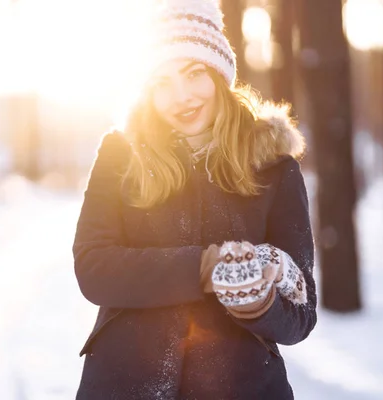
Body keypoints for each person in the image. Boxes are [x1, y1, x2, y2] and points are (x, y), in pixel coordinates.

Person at [72, 0, 317, 398]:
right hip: (126, 383)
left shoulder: (273, 165)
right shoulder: (122, 153)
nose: (181, 96)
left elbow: (301, 314)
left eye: (194, 73)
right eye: (161, 83)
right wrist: (205, 268)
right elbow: (94, 267)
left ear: (220, 73)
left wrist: (258, 303)